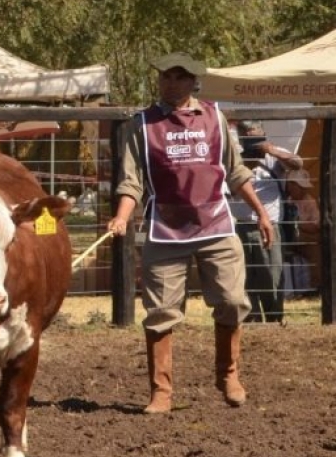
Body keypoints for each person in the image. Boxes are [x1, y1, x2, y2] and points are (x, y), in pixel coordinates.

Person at [107, 52, 273, 414]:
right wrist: (121, 217)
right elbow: (130, 182)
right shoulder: (143, 125)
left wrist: (261, 213)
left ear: (193, 82)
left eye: (179, 77)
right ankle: (161, 392)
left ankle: (228, 375)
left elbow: (237, 171)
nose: (171, 83)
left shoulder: (215, 117)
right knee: (161, 311)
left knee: (231, 301)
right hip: (165, 230)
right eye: (166, 76)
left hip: (216, 225)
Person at [230, 120, 303, 323]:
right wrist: (247, 162)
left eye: (258, 138)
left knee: (271, 276)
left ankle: (274, 319)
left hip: (268, 225)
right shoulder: (234, 156)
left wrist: (272, 151)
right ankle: (250, 320)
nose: (255, 144)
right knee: (243, 278)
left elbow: (298, 163)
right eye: (250, 139)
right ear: (242, 137)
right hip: (239, 225)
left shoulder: (273, 155)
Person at [284, 169, 321, 294]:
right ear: (290, 185)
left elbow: (316, 226)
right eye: (300, 186)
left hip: (303, 239)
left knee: (317, 248)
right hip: (287, 238)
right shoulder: (284, 201)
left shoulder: (309, 201)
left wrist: (297, 224)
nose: (304, 190)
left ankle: (316, 286)